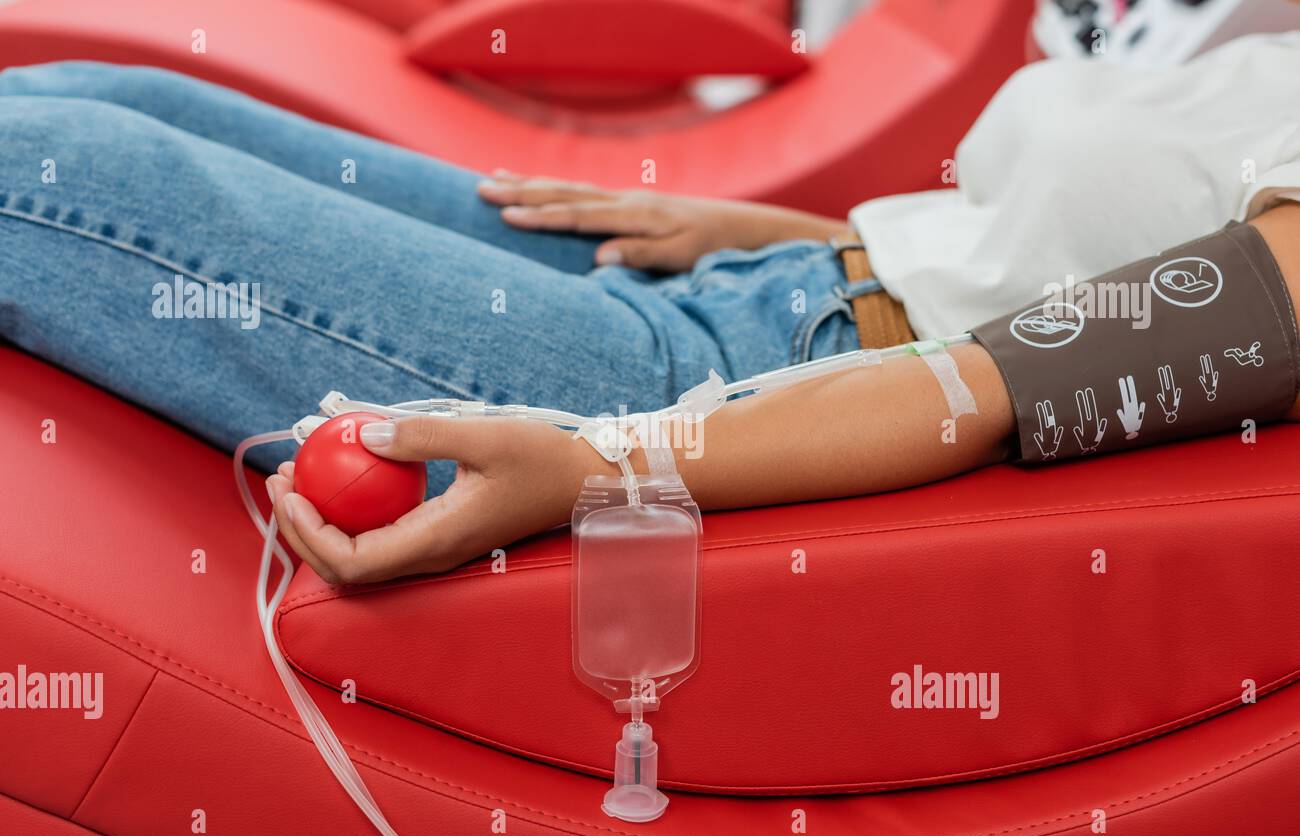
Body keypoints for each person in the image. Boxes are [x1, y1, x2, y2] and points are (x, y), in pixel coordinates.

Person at [0, 32, 1296, 584]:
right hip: (759, 292)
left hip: (716, 389)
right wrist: (759, 232)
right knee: (118, 100)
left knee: (44, 171)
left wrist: (605, 465)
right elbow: (1028, 256)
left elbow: (998, 384)